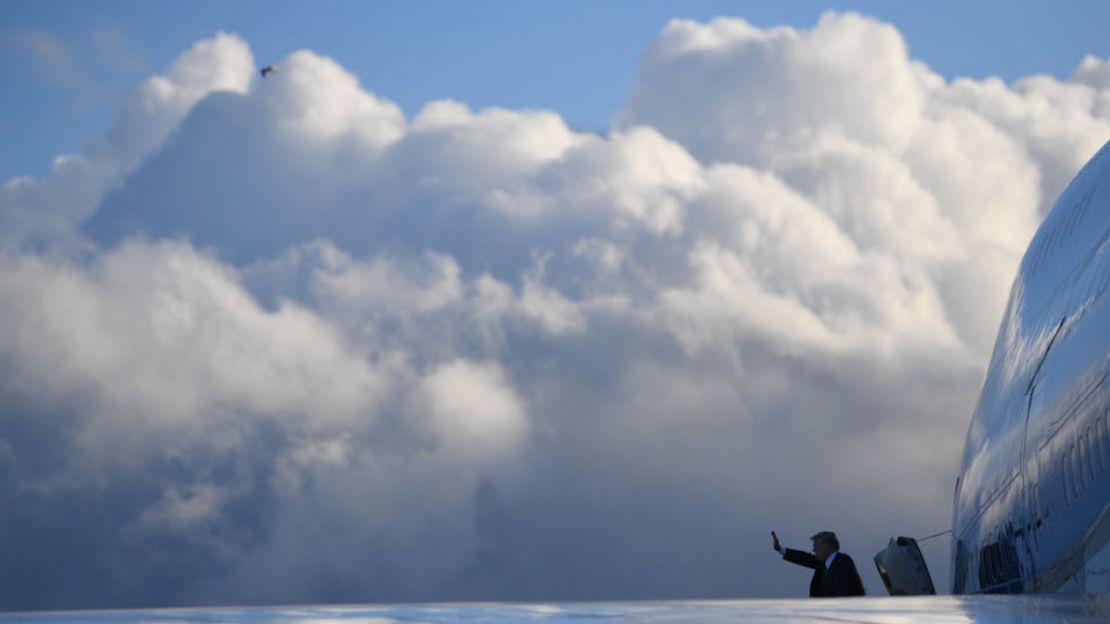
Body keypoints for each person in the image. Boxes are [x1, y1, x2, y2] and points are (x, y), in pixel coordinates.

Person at [772, 530, 865, 597]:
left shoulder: (843, 562)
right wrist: (780, 549)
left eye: (816, 545)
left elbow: (845, 594)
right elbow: (805, 558)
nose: (813, 550)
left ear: (827, 545)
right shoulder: (824, 565)